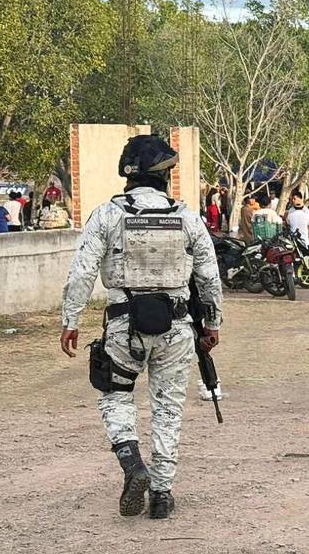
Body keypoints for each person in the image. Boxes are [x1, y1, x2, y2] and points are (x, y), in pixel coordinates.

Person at [59, 134, 223, 519]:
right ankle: (162, 494)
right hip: (177, 327)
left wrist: (71, 320)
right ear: (164, 175)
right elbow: (209, 277)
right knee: (168, 408)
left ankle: (133, 463)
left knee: (115, 396)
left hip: (123, 325)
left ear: (128, 174)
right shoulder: (187, 217)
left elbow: (82, 272)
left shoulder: (107, 215)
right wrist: (213, 323)